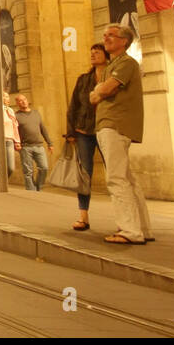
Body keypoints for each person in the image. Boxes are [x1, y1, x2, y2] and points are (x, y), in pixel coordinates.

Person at [90, 24, 154, 245]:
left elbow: (104, 91)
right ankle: (142, 229)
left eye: (111, 36)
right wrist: (99, 91)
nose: (106, 38)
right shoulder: (112, 65)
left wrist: (100, 91)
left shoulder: (126, 63)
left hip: (115, 124)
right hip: (110, 124)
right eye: (105, 35)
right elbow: (95, 95)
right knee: (127, 178)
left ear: (124, 41)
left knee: (116, 178)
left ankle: (129, 231)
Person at [65, 43, 108, 230]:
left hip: (108, 129)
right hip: (84, 131)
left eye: (97, 52)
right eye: (91, 52)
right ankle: (83, 216)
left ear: (106, 55)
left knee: (115, 172)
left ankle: (124, 218)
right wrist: (71, 132)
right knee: (84, 174)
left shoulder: (113, 77)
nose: (93, 55)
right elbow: (73, 106)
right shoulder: (83, 80)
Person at [12, 94, 53, 191]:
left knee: (44, 168)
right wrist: (16, 143)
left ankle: (38, 186)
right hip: (25, 147)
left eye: (24, 99)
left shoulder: (36, 113)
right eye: (20, 101)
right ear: (17, 103)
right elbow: (14, 131)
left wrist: (49, 143)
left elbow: (43, 129)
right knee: (28, 171)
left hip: (39, 145)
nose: (23, 102)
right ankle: (31, 191)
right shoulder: (16, 116)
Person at [0, 92, 21, 177]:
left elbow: (14, 127)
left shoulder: (10, 110)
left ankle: (1, 181)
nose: (8, 98)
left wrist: (17, 141)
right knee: (1, 165)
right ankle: (2, 184)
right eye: (5, 96)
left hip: (9, 140)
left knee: (10, 167)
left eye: (8, 97)